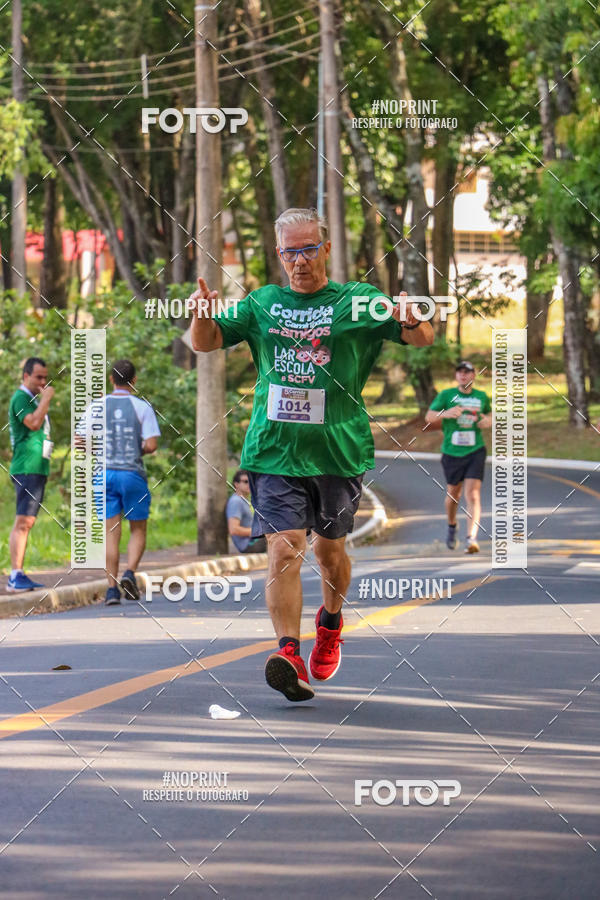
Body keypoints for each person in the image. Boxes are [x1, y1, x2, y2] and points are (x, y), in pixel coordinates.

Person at [188, 207, 434, 702]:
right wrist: (201, 316)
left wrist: (414, 317)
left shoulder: (357, 300)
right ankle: (288, 653)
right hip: (273, 450)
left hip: (337, 451)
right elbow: (207, 343)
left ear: (325, 248)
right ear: (279, 255)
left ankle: (330, 624)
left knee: (330, 552)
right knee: (282, 549)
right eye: (289, 251)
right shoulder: (261, 304)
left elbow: (420, 338)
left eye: (308, 248)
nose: (299, 260)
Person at [79, 360, 160, 605]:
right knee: (138, 528)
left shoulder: (96, 406)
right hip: (132, 474)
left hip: (103, 475)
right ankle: (129, 573)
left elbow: (80, 441)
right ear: (134, 380)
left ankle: (112, 589)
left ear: (111, 379)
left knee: (110, 532)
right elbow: (152, 445)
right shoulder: (141, 407)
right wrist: (137, 449)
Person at [425, 361, 492, 554]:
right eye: (460, 372)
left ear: (474, 375)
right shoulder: (446, 395)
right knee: (454, 494)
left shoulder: (481, 396)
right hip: (452, 452)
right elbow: (429, 417)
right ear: (456, 376)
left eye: (467, 372)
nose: (463, 376)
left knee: (473, 494)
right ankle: (452, 525)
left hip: (475, 450)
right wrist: (446, 413)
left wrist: (486, 420)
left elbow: (490, 416)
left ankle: (471, 538)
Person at [7, 358, 54, 592]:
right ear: (26, 376)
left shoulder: (33, 398)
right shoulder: (21, 398)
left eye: (45, 377)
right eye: (38, 377)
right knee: (23, 521)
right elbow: (33, 424)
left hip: (36, 468)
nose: (42, 382)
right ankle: (15, 575)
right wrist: (46, 399)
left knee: (28, 521)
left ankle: (19, 573)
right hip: (26, 468)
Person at [226, 470, 267, 553]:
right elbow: (233, 529)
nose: (250, 484)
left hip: (253, 541)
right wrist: (259, 532)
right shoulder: (236, 501)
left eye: (251, 481)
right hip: (249, 544)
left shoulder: (243, 501)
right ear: (236, 484)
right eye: (245, 481)